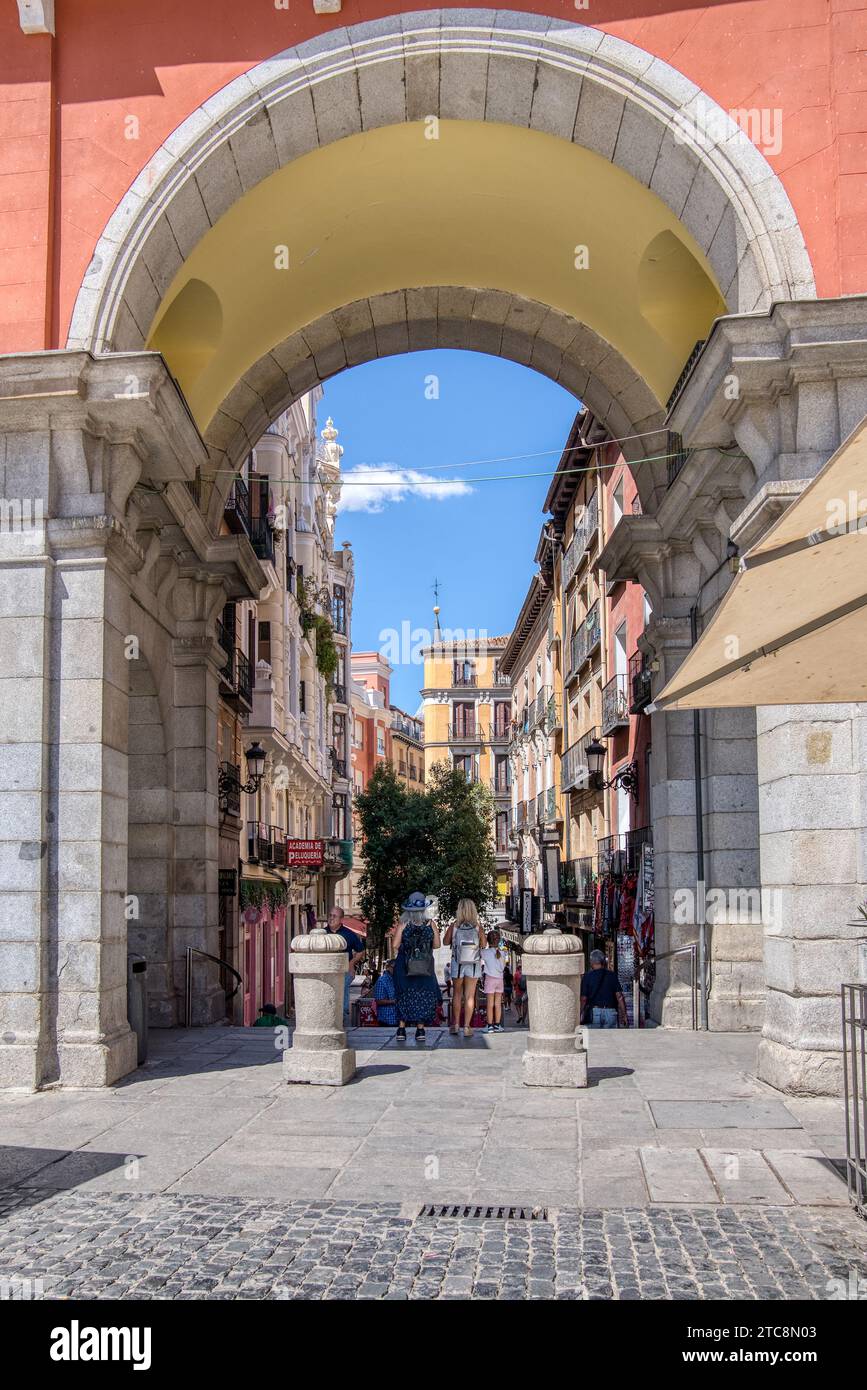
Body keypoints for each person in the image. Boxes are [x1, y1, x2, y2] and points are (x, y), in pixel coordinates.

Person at [392, 890, 442, 1040]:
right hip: (425, 967)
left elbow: (395, 945)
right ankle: (420, 1030)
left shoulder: (404, 924)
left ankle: (401, 1029)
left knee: (404, 995)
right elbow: (437, 945)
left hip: (404, 967)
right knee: (422, 996)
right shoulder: (430, 924)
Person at [443, 898, 486, 1038]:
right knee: (469, 996)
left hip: (457, 963)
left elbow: (445, 942)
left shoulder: (454, 926)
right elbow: (484, 945)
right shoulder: (477, 927)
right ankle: (467, 1027)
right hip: (473, 964)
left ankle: (456, 1025)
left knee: (457, 994)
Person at [327, 905, 365, 1023]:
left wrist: (351, 963)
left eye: (334, 916)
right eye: (330, 915)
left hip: (345, 969)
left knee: (342, 987)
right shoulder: (322, 933)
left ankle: (342, 1014)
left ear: (341, 919)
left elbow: (361, 951)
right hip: (328, 971)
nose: (331, 918)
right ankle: (331, 1015)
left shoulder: (349, 934)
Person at [581, 949, 629, 1028]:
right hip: (611, 1012)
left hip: (594, 1012)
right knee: (610, 1039)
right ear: (603, 961)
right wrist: (624, 1015)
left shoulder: (587, 977)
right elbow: (619, 997)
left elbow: (583, 999)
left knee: (595, 1038)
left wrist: (580, 1013)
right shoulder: (612, 975)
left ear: (591, 962)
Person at [481, 929, 506, 1033]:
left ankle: (490, 1026)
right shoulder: (503, 953)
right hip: (500, 979)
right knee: (498, 1004)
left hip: (490, 979)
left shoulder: (485, 952)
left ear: (488, 941)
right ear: (498, 940)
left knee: (490, 1004)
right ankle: (497, 1025)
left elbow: (478, 950)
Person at [372, 959, 398, 1027]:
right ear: (388, 967)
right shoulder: (382, 981)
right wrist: (393, 1001)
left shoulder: (397, 980)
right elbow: (378, 1001)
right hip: (387, 1019)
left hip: (398, 1019)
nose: (396, 970)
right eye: (394, 967)